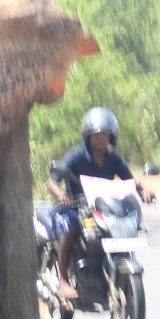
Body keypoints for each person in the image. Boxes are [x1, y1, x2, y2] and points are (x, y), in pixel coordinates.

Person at [43, 106, 152, 300]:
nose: (102, 138)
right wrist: (61, 194)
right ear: (88, 135)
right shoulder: (76, 156)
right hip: (76, 208)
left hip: (102, 209)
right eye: (97, 134)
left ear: (112, 135)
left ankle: (134, 314)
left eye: (105, 134)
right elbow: (51, 181)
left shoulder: (113, 158)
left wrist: (143, 191)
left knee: (122, 232)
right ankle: (63, 280)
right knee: (70, 228)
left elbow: (130, 181)